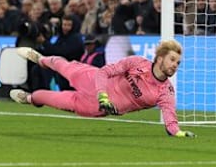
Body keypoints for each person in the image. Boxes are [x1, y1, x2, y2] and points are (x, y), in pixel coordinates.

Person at [10, 40, 196, 138]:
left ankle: (29, 99)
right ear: (160, 58)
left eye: (178, 63)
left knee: (49, 98)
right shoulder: (137, 62)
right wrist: (103, 95)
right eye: (172, 60)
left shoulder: (166, 92)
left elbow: (170, 121)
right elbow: (104, 72)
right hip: (92, 80)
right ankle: (41, 59)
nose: (175, 65)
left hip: (94, 107)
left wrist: (178, 133)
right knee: (63, 65)